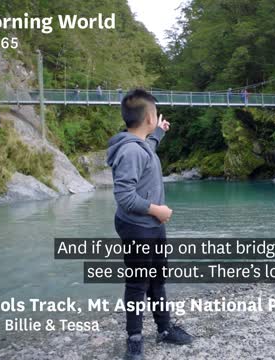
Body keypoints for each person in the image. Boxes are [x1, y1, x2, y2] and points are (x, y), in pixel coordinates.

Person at [106, 89, 193, 360]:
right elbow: (124, 196)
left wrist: (159, 133)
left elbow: (148, 147)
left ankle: (164, 329)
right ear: (149, 118)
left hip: (152, 226)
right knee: (138, 283)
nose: (157, 119)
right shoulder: (131, 151)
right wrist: (157, 209)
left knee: (157, 278)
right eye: (156, 115)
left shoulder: (141, 144)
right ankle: (134, 341)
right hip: (138, 226)